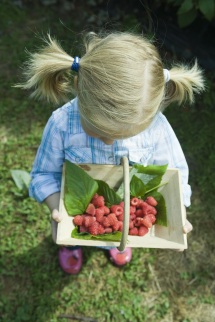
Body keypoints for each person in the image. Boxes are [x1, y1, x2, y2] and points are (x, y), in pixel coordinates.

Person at [17, 31, 204, 274]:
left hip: (123, 214)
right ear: (78, 89)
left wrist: (179, 214)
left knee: (114, 230)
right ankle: (72, 245)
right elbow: (43, 174)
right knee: (76, 232)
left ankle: (115, 242)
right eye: (97, 131)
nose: (108, 141)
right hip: (77, 211)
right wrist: (57, 209)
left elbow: (175, 175)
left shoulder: (156, 127)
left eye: (122, 135)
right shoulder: (62, 125)